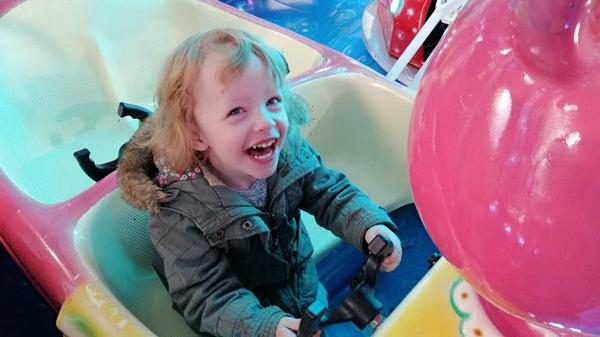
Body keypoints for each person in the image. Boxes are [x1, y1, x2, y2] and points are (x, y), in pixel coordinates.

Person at [117, 28, 401, 337]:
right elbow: (206, 297)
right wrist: (267, 326)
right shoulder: (178, 212)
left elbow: (331, 195)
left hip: (304, 292)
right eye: (237, 110)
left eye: (273, 100)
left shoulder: (288, 151)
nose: (265, 122)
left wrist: (371, 227)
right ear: (197, 134)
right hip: (243, 324)